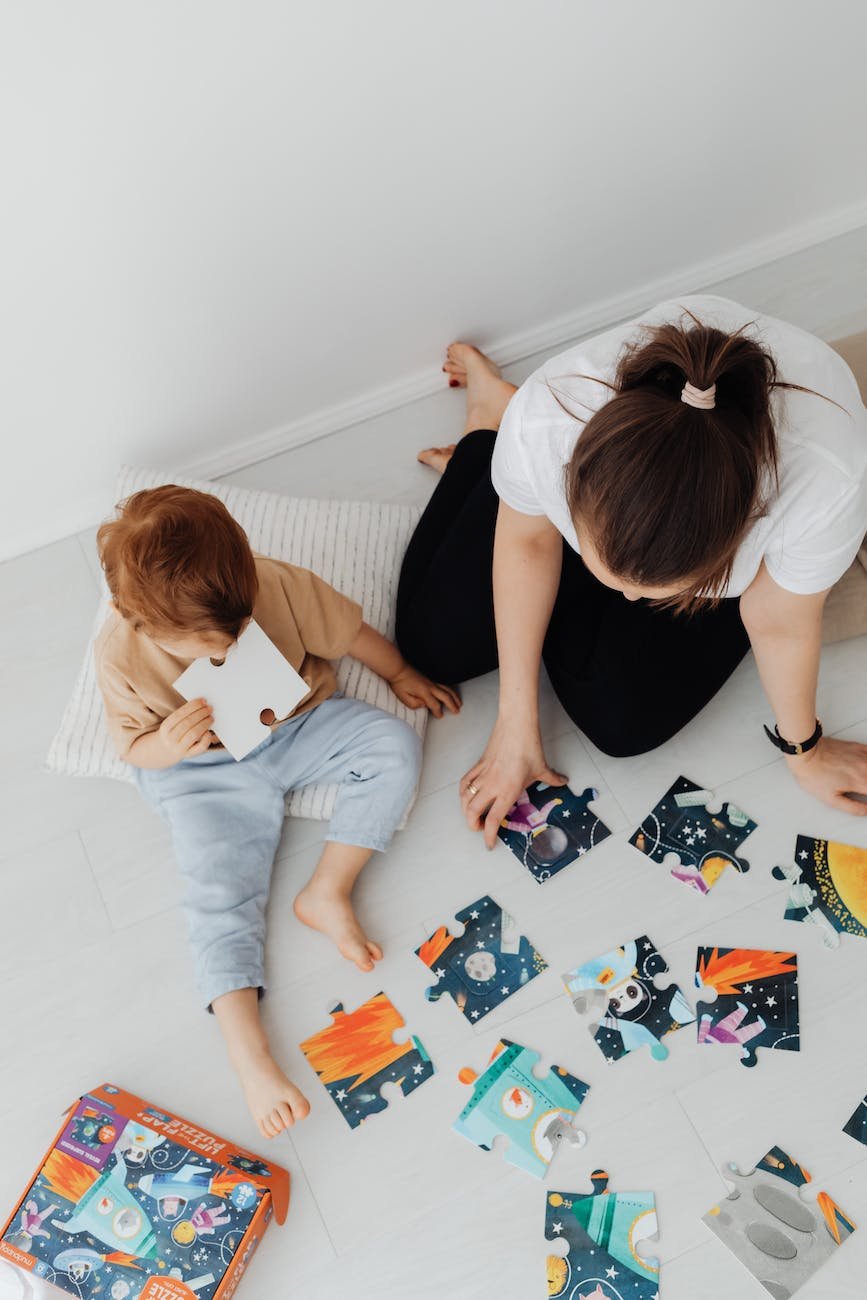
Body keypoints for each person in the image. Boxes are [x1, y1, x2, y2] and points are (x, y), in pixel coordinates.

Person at [396, 294, 867, 846]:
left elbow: (781, 621)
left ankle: (541, 514)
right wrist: (515, 722)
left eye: (652, 591)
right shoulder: (552, 415)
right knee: (430, 647)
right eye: (609, 574)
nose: (628, 599)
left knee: (623, 729)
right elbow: (527, 539)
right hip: (577, 459)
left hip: (750, 487)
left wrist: (804, 752)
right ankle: (490, 427)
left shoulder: (826, 487)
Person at [94, 485, 459, 1138]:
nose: (231, 646)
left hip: (294, 725)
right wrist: (164, 743)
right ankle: (247, 1050)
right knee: (217, 894)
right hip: (202, 770)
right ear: (142, 623)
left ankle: (327, 890)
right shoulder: (122, 652)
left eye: (236, 632)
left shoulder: (271, 585)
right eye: (208, 645)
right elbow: (130, 746)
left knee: (393, 747)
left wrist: (399, 670)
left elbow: (347, 632)